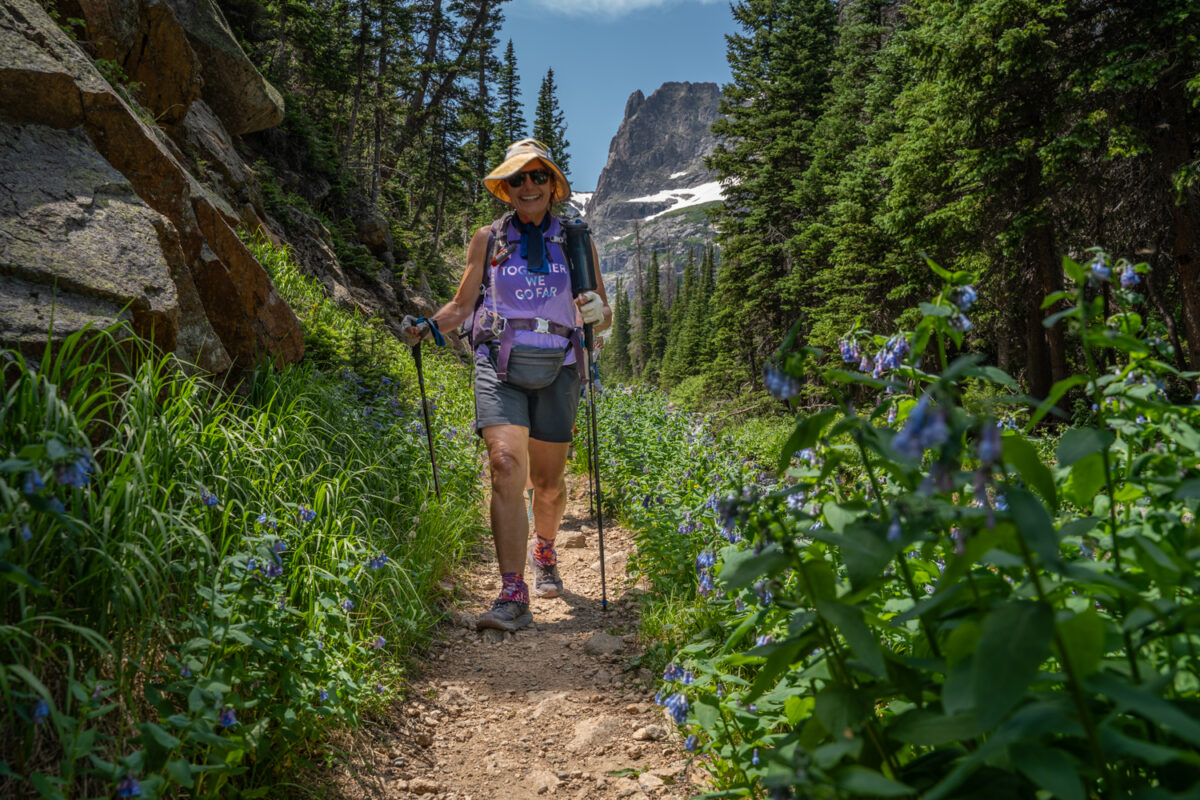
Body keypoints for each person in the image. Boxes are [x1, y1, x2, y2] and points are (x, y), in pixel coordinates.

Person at [400, 139, 611, 632]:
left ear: (552, 185)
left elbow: (598, 307)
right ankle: (513, 592)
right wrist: (429, 326)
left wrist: (599, 314)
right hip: (498, 364)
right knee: (504, 465)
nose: (528, 186)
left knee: (549, 484)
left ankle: (545, 549)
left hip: (559, 366)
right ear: (506, 190)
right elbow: (462, 304)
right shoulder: (488, 239)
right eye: (517, 179)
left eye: (537, 176)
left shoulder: (575, 239)